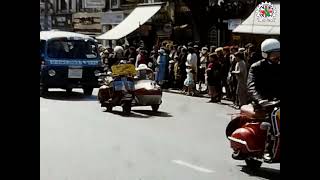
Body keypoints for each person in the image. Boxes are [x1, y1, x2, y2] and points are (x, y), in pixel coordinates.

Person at [246, 38, 280, 161]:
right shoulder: (256, 67)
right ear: (266, 53)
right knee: (272, 117)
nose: (277, 56)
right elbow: (251, 86)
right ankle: (268, 149)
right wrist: (260, 100)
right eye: (274, 54)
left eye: (279, 53)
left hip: (277, 100)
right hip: (263, 101)